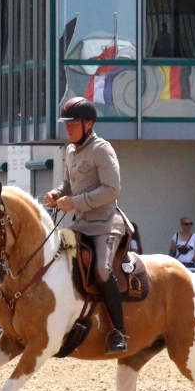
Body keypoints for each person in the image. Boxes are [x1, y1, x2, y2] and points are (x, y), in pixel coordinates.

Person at [44, 96, 133, 353]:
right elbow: (68, 186)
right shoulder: (69, 151)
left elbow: (112, 189)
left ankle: (119, 332)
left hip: (106, 224)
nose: (68, 128)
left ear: (89, 124)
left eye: (73, 124)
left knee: (103, 272)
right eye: (66, 124)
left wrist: (75, 202)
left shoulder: (102, 149)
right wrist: (56, 193)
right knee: (56, 262)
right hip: (81, 225)